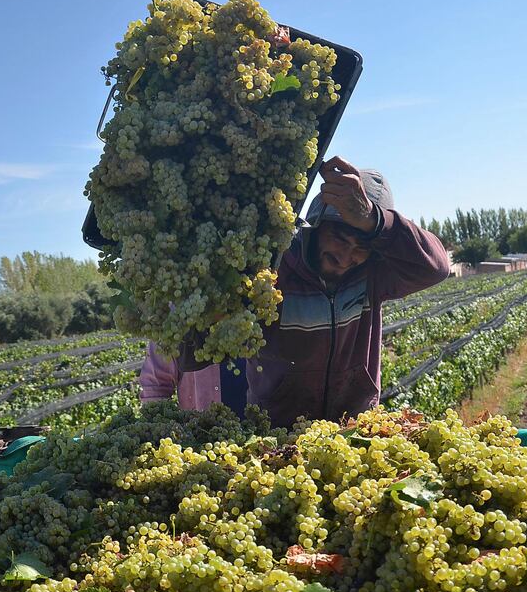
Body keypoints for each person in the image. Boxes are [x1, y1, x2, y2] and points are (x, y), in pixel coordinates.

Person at [144, 155, 451, 428]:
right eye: (341, 239)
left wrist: (375, 220)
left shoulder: (374, 276)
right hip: (277, 439)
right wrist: (208, 313)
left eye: (362, 247)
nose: (347, 257)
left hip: (354, 430)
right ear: (315, 226)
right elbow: (189, 358)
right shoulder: (272, 273)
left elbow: (436, 268)